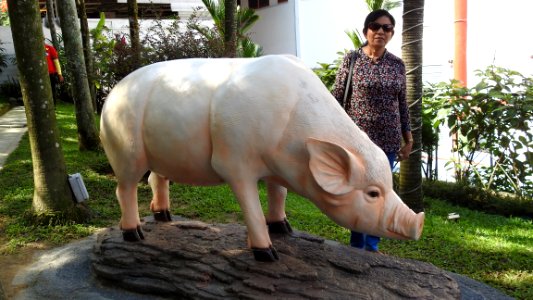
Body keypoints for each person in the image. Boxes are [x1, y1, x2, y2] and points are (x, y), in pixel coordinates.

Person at [331, 9, 413, 252]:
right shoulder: (352, 59)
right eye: (375, 26)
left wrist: (408, 138)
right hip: (357, 141)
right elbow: (336, 98)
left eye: (386, 28)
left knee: (379, 195)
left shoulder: (397, 65)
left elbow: (402, 104)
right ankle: (357, 244)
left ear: (392, 33)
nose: (380, 31)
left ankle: (372, 247)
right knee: (360, 194)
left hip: (388, 142)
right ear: (366, 30)